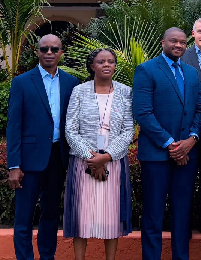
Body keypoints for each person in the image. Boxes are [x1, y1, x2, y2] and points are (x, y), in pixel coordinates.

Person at [133, 27, 201, 260]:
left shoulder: (192, 73)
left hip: (188, 154)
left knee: (182, 213)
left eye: (183, 42)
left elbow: (198, 109)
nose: (179, 45)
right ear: (163, 41)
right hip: (156, 155)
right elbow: (143, 113)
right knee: (153, 214)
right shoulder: (147, 70)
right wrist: (172, 145)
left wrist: (192, 139)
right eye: (174, 41)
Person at [6, 34, 80, 260]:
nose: (49, 53)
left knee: (50, 216)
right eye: (44, 49)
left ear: (61, 53)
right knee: (24, 218)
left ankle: (47, 256)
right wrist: (14, 165)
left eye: (54, 49)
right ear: (37, 52)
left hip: (58, 158)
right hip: (29, 161)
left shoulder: (71, 82)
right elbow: (13, 125)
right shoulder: (21, 82)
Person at [64, 48, 134, 259]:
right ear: (92, 65)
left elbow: (129, 129)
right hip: (83, 163)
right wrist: (92, 157)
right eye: (101, 61)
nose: (106, 65)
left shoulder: (125, 92)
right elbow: (70, 129)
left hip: (114, 162)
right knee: (82, 217)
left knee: (111, 216)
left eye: (111, 61)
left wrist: (107, 156)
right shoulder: (79, 91)